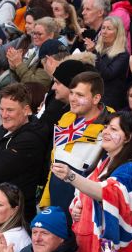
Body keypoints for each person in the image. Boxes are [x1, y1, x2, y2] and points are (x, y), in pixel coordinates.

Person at [52, 111, 132, 252]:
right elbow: (86, 190)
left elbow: (105, 193)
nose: (106, 132)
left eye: (114, 129)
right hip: (96, 247)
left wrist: (71, 176)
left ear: (128, 137)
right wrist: (79, 205)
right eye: (106, 127)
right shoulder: (106, 161)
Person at [0, 83, 50, 225]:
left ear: (26, 110)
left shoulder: (30, 139)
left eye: (10, 110)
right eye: (2, 109)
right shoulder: (4, 129)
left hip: (12, 221)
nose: (3, 115)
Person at [39, 71, 113, 214]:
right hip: (57, 208)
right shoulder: (66, 118)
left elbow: (106, 181)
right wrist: (46, 201)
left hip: (85, 213)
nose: (72, 98)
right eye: (72, 93)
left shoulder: (109, 128)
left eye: (80, 95)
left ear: (96, 98)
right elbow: (55, 164)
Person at [92, 16, 129, 110]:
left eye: (109, 29)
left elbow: (107, 74)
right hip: (93, 96)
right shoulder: (97, 49)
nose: (104, 31)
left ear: (117, 33)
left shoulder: (123, 54)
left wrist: (93, 53)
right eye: (103, 28)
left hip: (110, 102)